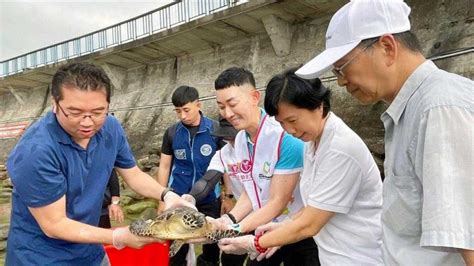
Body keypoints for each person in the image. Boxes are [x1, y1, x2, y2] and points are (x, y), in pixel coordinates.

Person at [295, 0, 473, 264]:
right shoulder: (406, 112)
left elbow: (467, 237)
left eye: (342, 67)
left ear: (387, 48)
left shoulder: (438, 109)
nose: (342, 80)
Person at [5, 62, 195, 265]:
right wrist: (118, 237)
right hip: (41, 257)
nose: (87, 122)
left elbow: (133, 174)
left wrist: (167, 195)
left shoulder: (110, 128)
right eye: (75, 112)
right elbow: (54, 225)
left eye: (97, 112)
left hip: (91, 251)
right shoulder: (36, 151)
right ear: (55, 103)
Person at [218, 69, 383, 265]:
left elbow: (310, 223)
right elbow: (312, 205)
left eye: (293, 120)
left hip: (359, 256)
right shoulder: (312, 142)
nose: (289, 130)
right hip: (333, 253)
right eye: (282, 123)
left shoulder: (340, 148)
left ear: (318, 105)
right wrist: (282, 228)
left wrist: (256, 242)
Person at [210, 67, 320, 266]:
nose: (227, 113)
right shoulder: (241, 139)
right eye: (220, 106)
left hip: (300, 227)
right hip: (267, 225)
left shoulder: (284, 136)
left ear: (254, 97)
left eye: (232, 104)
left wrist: (235, 229)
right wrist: (229, 219)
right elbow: (251, 190)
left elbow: (278, 201)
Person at [157, 85, 223, 266]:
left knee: (212, 245)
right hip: (178, 198)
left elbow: (227, 165)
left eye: (186, 110)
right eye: (178, 111)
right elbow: (164, 166)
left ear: (198, 105)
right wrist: (162, 199)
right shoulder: (172, 133)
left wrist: (229, 196)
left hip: (209, 197)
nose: (182, 116)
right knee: (176, 247)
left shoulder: (215, 130)